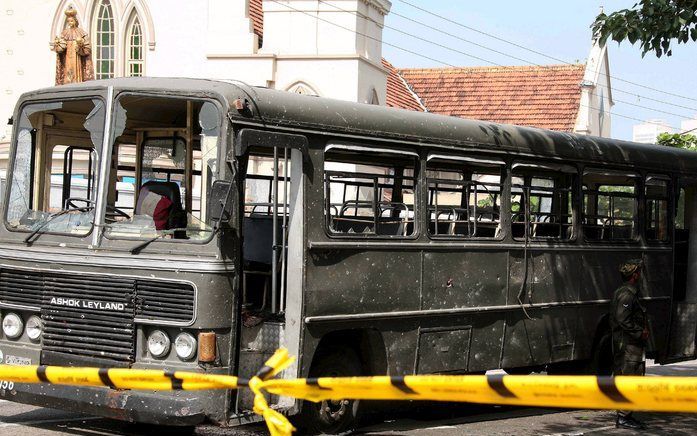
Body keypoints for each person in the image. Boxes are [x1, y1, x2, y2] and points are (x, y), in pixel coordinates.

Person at [610, 258, 649, 429]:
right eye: (638, 272)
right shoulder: (627, 294)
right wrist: (640, 332)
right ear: (634, 275)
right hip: (628, 345)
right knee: (630, 378)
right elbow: (622, 319)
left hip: (627, 344)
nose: (640, 275)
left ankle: (626, 415)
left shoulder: (626, 291)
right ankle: (624, 416)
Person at [51, 7, 94, 85]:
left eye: (71, 21)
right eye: (68, 21)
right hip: (67, 58)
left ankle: (78, 81)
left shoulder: (81, 32)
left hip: (77, 58)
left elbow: (87, 49)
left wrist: (80, 45)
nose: (70, 23)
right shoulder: (64, 33)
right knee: (68, 72)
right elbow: (61, 47)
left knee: (77, 74)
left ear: (75, 21)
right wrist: (58, 44)